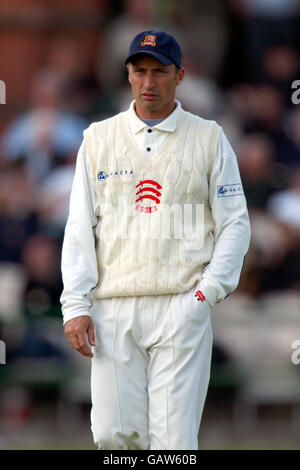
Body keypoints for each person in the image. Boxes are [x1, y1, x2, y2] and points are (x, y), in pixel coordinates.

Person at [60, 30, 251, 450]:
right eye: (139, 71)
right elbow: (79, 228)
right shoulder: (97, 139)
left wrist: (204, 296)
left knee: (173, 444)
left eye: (159, 72)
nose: (149, 83)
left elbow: (235, 225)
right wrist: (76, 304)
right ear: (127, 74)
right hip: (113, 306)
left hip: (181, 302)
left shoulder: (209, 138)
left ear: (180, 75)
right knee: (115, 438)